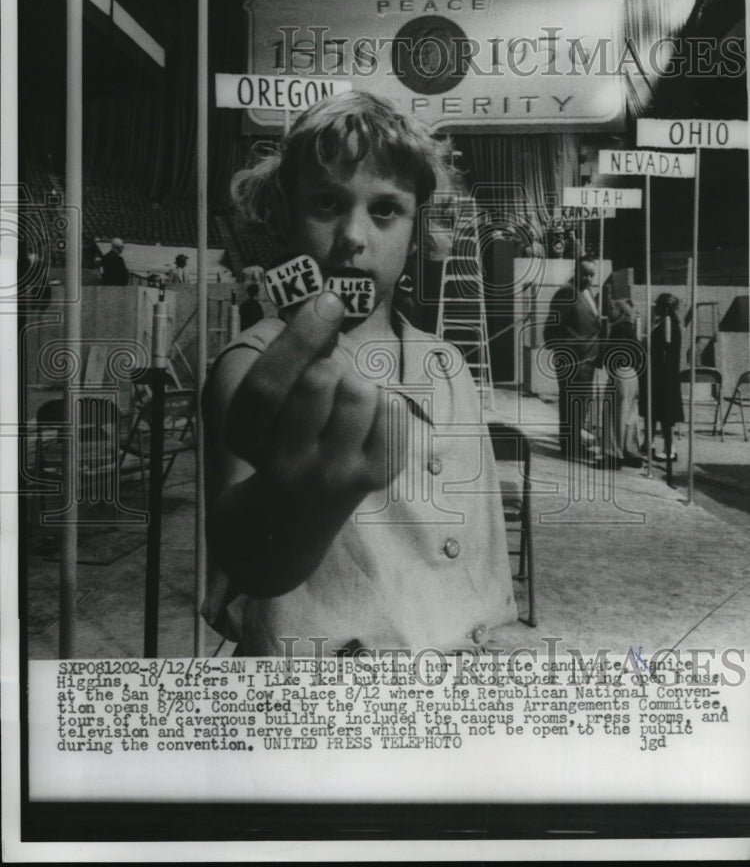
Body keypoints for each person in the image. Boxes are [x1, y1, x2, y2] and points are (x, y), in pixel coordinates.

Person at [202, 90, 517, 656]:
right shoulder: (249, 367)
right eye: (326, 203)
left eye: (384, 210)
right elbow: (252, 563)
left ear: (417, 227)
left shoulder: (449, 366)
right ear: (283, 214)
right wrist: (292, 501)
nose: (352, 236)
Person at [544, 258, 601, 461]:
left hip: (587, 359)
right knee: (572, 403)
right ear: (576, 271)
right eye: (585, 273)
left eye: (592, 274)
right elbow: (551, 326)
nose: (589, 278)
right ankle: (570, 447)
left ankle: (574, 442)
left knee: (582, 403)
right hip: (573, 361)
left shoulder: (588, 292)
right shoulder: (567, 292)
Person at [600, 299, 644, 469]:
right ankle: (631, 453)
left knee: (614, 415)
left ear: (621, 312)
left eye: (612, 309)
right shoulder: (629, 329)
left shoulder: (618, 329)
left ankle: (613, 455)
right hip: (632, 375)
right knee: (630, 417)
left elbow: (610, 353)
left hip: (619, 373)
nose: (609, 312)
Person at [644, 292, 684, 461]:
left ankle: (669, 449)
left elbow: (661, 351)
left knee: (665, 415)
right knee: (654, 412)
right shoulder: (667, 323)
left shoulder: (668, 325)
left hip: (663, 375)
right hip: (663, 374)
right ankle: (650, 443)